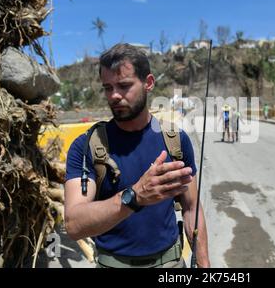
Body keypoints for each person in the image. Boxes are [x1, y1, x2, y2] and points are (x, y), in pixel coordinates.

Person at [64, 43, 210, 268]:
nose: (114, 95)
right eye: (107, 87)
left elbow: (191, 208)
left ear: (148, 83)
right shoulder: (87, 147)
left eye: (124, 85)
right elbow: (74, 224)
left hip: (170, 264)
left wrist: (204, 265)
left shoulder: (176, 141)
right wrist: (135, 196)